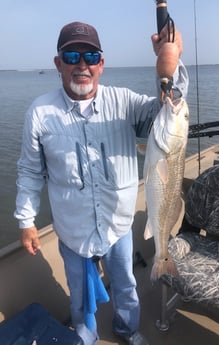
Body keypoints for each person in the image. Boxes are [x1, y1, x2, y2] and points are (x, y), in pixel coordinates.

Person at [14, 21, 188, 345]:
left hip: (117, 224)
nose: (82, 64)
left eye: (91, 55)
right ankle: (86, 335)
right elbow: (28, 171)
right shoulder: (39, 113)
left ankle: (127, 328)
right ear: (58, 63)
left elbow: (168, 108)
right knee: (78, 292)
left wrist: (170, 61)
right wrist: (26, 220)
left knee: (125, 284)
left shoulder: (125, 103)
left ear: (101, 64)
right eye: (72, 55)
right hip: (72, 227)